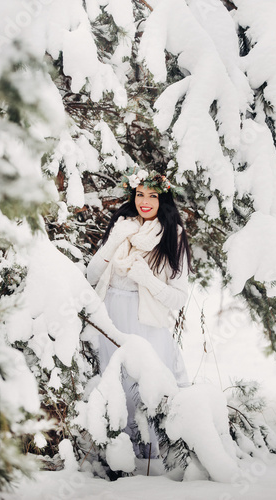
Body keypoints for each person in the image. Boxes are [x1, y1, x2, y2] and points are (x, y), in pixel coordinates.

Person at [86, 167, 192, 458]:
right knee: (117, 382)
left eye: (153, 195)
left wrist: (148, 279)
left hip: (148, 321)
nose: (145, 201)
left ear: (164, 200)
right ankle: (119, 451)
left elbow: (178, 298)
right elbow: (92, 274)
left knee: (148, 383)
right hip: (111, 317)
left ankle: (156, 455)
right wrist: (114, 239)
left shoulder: (174, 236)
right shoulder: (122, 226)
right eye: (140, 194)